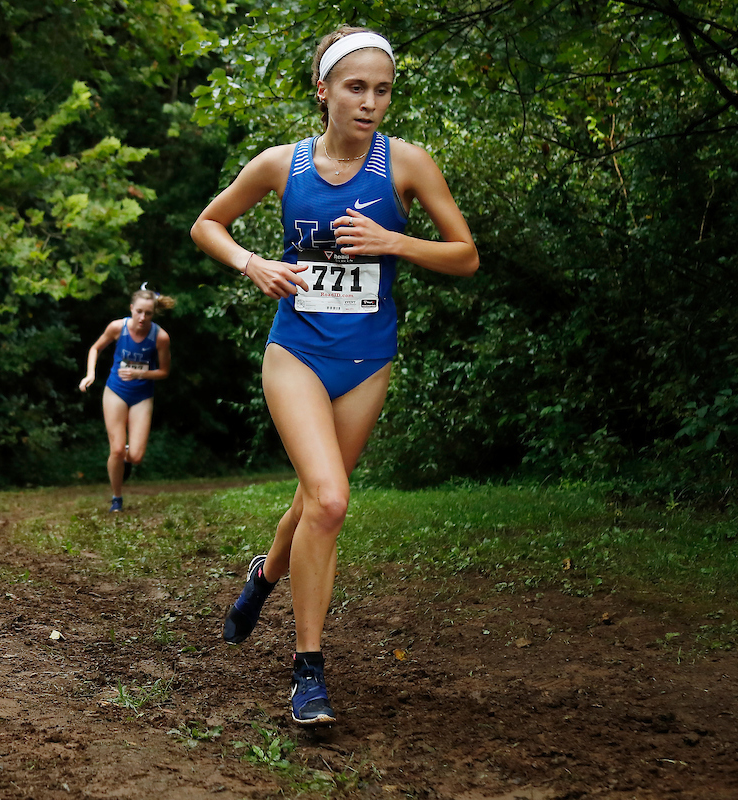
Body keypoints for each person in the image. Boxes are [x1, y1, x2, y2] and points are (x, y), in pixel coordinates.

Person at [189, 26, 478, 726]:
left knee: (317, 503)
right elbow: (207, 224)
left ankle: (264, 576)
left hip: (367, 360)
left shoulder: (406, 164)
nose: (370, 102)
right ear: (323, 91)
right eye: (356, 87)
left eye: (382, 90)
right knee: (331, 500)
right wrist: (251, 263)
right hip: (296, 352)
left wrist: (395, 242)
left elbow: (465, 254)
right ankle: (309, 671)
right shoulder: (280, 165)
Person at [78, 286, 175, 512]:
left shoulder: (160, 337)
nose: (142, 317)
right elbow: (95, 348)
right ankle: (117, 498)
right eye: (139, 311)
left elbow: (164, 372)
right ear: (131, 308)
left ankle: (127, 454)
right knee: (117, 450)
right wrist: (90, 373)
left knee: (136, 456)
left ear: (153, 314)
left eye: (148, 313)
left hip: (142, 395)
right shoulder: (117, 328)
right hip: (116, 391)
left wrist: (140, 374)